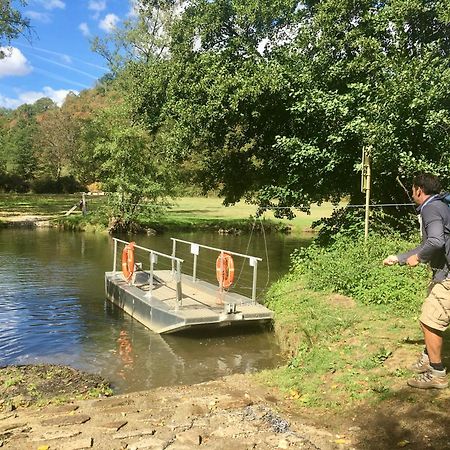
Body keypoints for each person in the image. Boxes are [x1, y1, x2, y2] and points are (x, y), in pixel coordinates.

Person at [383, 173, 450, 389]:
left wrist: (419, 258)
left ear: (419, 190)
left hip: (447, 275)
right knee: (428, 316)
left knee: (429, 322)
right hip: (442, 273)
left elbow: (436, 241)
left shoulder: (431, 208)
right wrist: (400, 258)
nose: (412, 193)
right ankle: (427, 357)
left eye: (413, 189)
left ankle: (437, 373)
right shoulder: (439, 205)